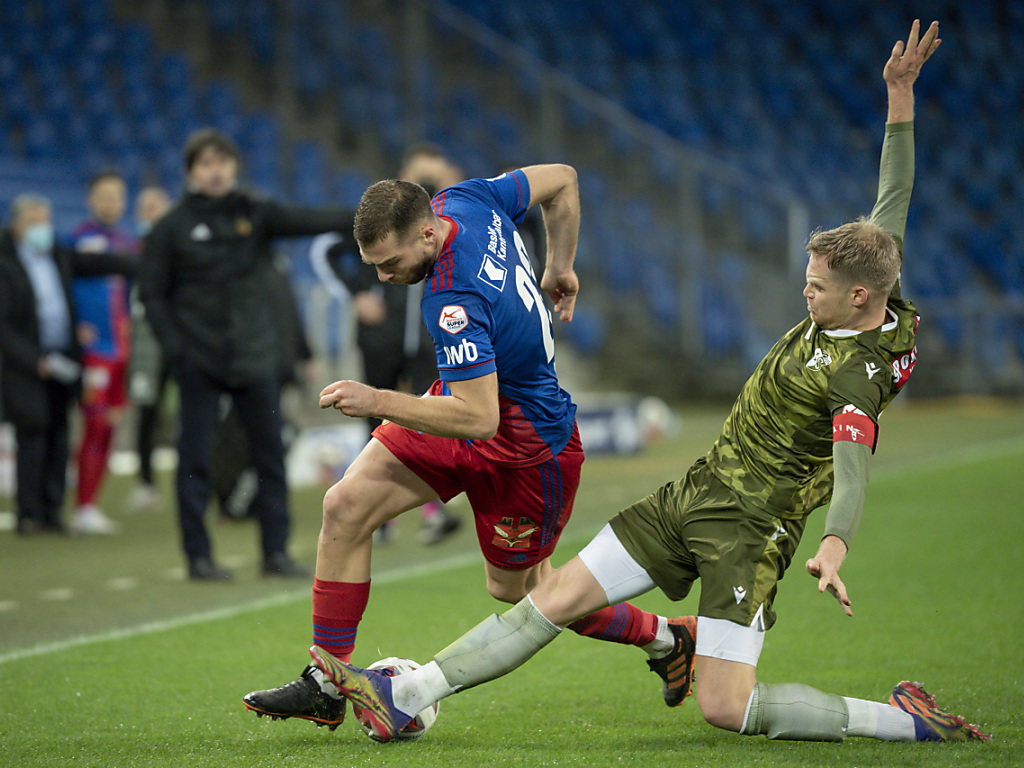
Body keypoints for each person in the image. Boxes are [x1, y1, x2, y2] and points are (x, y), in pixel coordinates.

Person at [306, 21, 987, 745]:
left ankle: (903, 723)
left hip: (752, 529)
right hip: (699, 488)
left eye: (817, 286)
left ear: (859, 297)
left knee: (728, 709)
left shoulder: (860, 372)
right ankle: (407, 693)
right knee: (554, 595)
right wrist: (900, 99)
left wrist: (837, 544)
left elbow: (852, 470)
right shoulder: (880, 268)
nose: (805, 293)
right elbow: (895, 195)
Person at [244, 164, 690, 730]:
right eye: (374, 266)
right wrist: (561, 265)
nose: (383, 278)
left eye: (389, 264)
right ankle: (328, 682)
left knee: (524, 591)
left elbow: (478, 419)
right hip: (464, 404)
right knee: (345, 505)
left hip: (526, 447)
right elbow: (563, 180)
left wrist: (376, 398)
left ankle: (667, 637)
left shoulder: (450, 297)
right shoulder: (466, 199)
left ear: (427, 235)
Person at [139, 129, 352, 581]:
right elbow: (152, 294)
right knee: (194, 460)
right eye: (205, 163)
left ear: (234, 166)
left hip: (255, 358)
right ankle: (198, 556)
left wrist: (377, 213)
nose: (215, 171)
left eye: (222, 161)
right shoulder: (170, 228)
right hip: (199, 360)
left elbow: (313, 218)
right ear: (191, 172)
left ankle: (275, 553)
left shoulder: (256, 212)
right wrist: (177, 350)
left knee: (270, 456)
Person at [309, 144, 464, 545]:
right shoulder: (385, 222)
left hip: (430, 342)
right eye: (421, 176)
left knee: (430, 418)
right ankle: (376, 514)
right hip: (382, 339)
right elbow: (324, 249)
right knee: (374, 419)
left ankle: (431, 513)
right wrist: (356, 294)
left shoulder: (441, 226)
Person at [0, 194, 134, 536]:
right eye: (33, 221)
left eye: (45, 220)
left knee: (60, 434)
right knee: (33, 434)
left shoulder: (58, 254)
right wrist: (34, 360)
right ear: (16, 225)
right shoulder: (5, 263)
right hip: (27, 364)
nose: (41, 228)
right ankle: (28, 513)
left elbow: (97, 264)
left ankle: (53, 510)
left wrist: (137, 262)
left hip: (62, 358)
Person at [68, 170, 137, 535]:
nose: (110, 202)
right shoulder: (76, 240)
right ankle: (82, 505)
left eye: (116, 196)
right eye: (104, 195)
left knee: (110, 426)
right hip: (94, 352)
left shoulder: (127, 243)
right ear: (91, 199)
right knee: (93, 425)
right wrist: (73, 325)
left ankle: (91, 502)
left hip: (121, 352)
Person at [127, 185, 172, 512]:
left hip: (179, 336)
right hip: (144, 339)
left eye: (156, 207)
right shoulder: (131, 251)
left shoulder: (180, 250)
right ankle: (146, 483)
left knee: (192, 409)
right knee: (147, 410)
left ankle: (198, 481)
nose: (150, 214)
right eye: (146, 208)